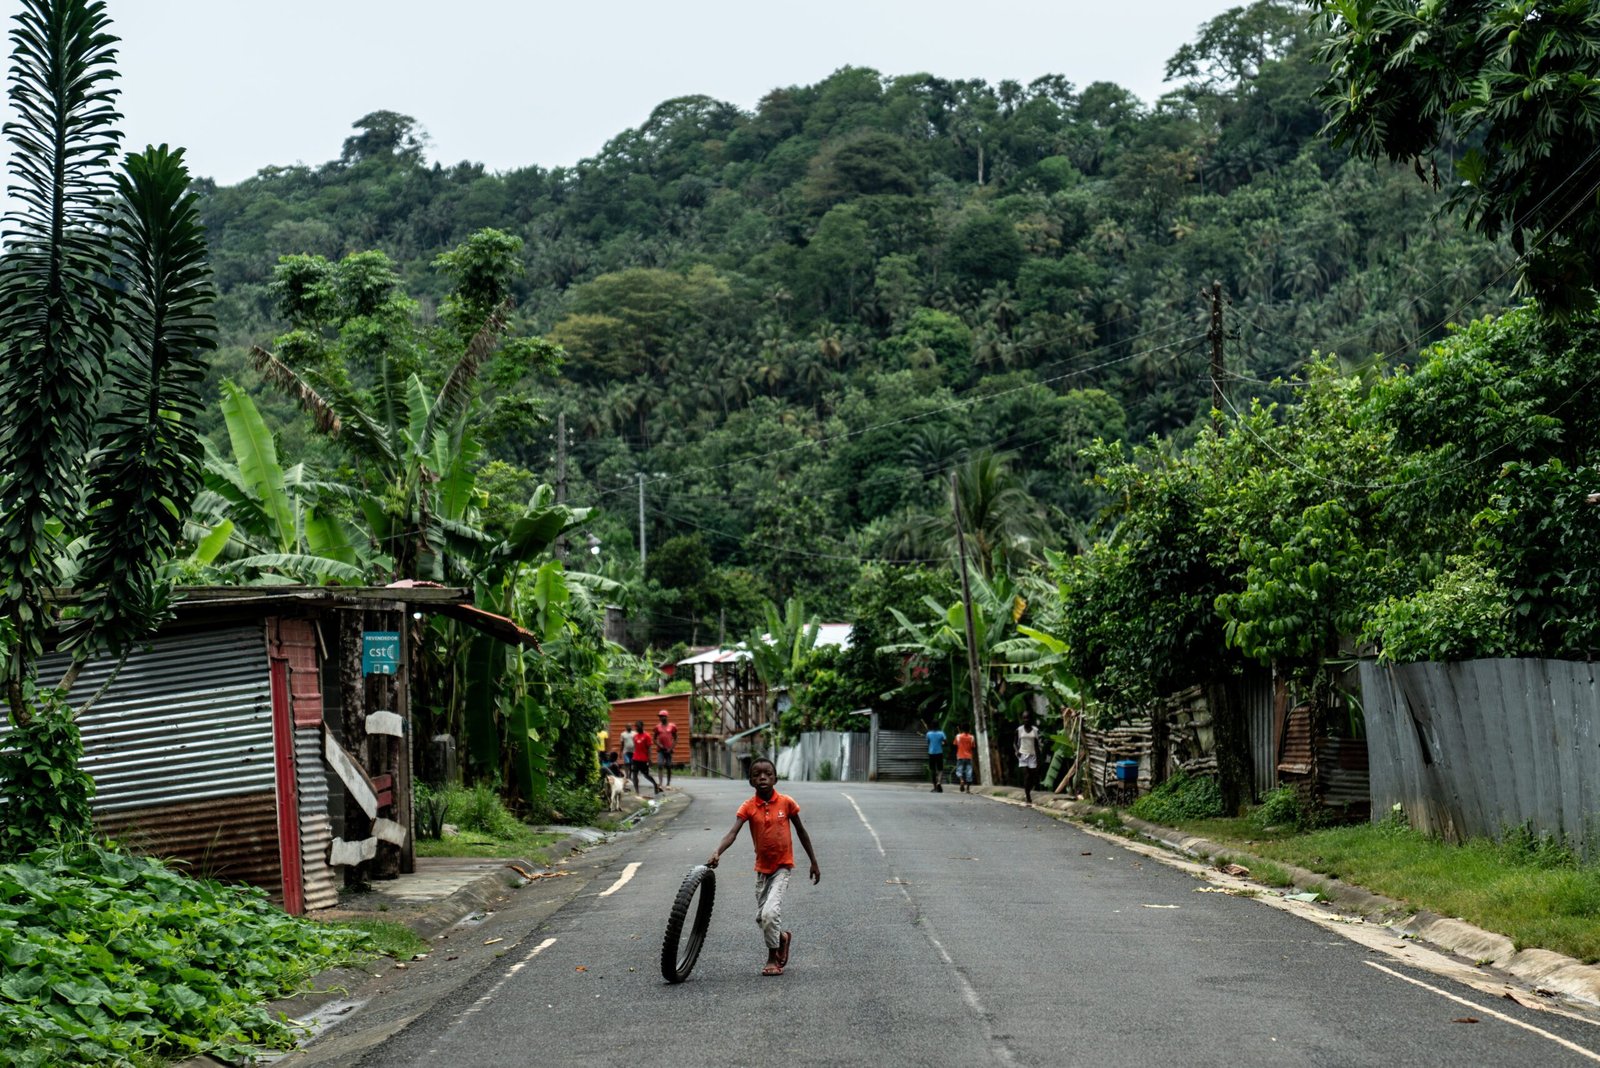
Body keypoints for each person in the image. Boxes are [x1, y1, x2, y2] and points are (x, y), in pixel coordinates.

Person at [706, 756, 820, 976]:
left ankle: (772, 959)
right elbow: (733, 833)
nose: (763, 778)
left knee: (769, 914)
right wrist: (717, 851)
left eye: (767, 774)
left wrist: (814, 861)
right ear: (750, 781)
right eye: (757, 774)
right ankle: (783, 938)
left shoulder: (786, 803)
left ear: (775, 778)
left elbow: (801, 832)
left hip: (782, 868)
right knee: (762, 917)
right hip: (762, 870)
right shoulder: (748, 807)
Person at [1016, 710, 1042, 806]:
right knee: (1027, 775)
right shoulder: (1019, 730)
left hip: (1033, 755)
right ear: (1022, 719)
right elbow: (1015, 742)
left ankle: (1029, 790)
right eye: (1024, 718)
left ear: (1031, 719)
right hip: (1023, 754)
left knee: (1032, 775)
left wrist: (1039, 756)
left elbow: (1038, 744)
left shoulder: (1035, 730)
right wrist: (1016, 750)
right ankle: (1028, 796)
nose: (1026, 720)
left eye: (1028, 718)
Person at [629, 720, 662, 795]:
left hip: (643, 759)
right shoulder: (635, 736)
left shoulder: (647, 736)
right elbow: (635, 747)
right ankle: (637, 791)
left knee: (646, 775)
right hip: (635, 758)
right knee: (634, 774)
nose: (637, 728)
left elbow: (649, 748)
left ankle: (655, 784)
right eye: (636, 726)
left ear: (642, 726)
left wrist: (650, 759)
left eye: (638, 726)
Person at [653, 709, 678, 787]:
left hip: (669, 750)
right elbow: (654, 738)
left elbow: (676, 738)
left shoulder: (672, 726)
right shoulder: (657, 727)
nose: (660, 718)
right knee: (660, 764)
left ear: (666, 717)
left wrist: (671, 748)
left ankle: (668, 782)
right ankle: (660, 783)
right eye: (659, 717)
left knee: (668, 766)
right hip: (661, 749)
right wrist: (659, 745)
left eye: (662, 716)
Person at [925, 722, 947, 792]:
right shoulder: (941, 733)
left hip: (931, 753)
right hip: (939, 753)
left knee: (933, 770)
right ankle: (939, 782)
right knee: (940, 769)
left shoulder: (928, 734)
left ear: (931, 726)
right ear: (938, 726)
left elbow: (928, 743)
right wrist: (942, 743)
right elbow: (945, 742)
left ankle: (935, 787)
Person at [953, 725, 976, 793]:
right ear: (969, 729)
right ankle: (968, 789)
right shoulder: (972, 737)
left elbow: (955, 745)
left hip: (960, 756)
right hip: (968, 756)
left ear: (962, 729)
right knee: (969, 772)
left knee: (959, 770)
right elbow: (973, 747)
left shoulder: (958, 736)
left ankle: (961, 780)